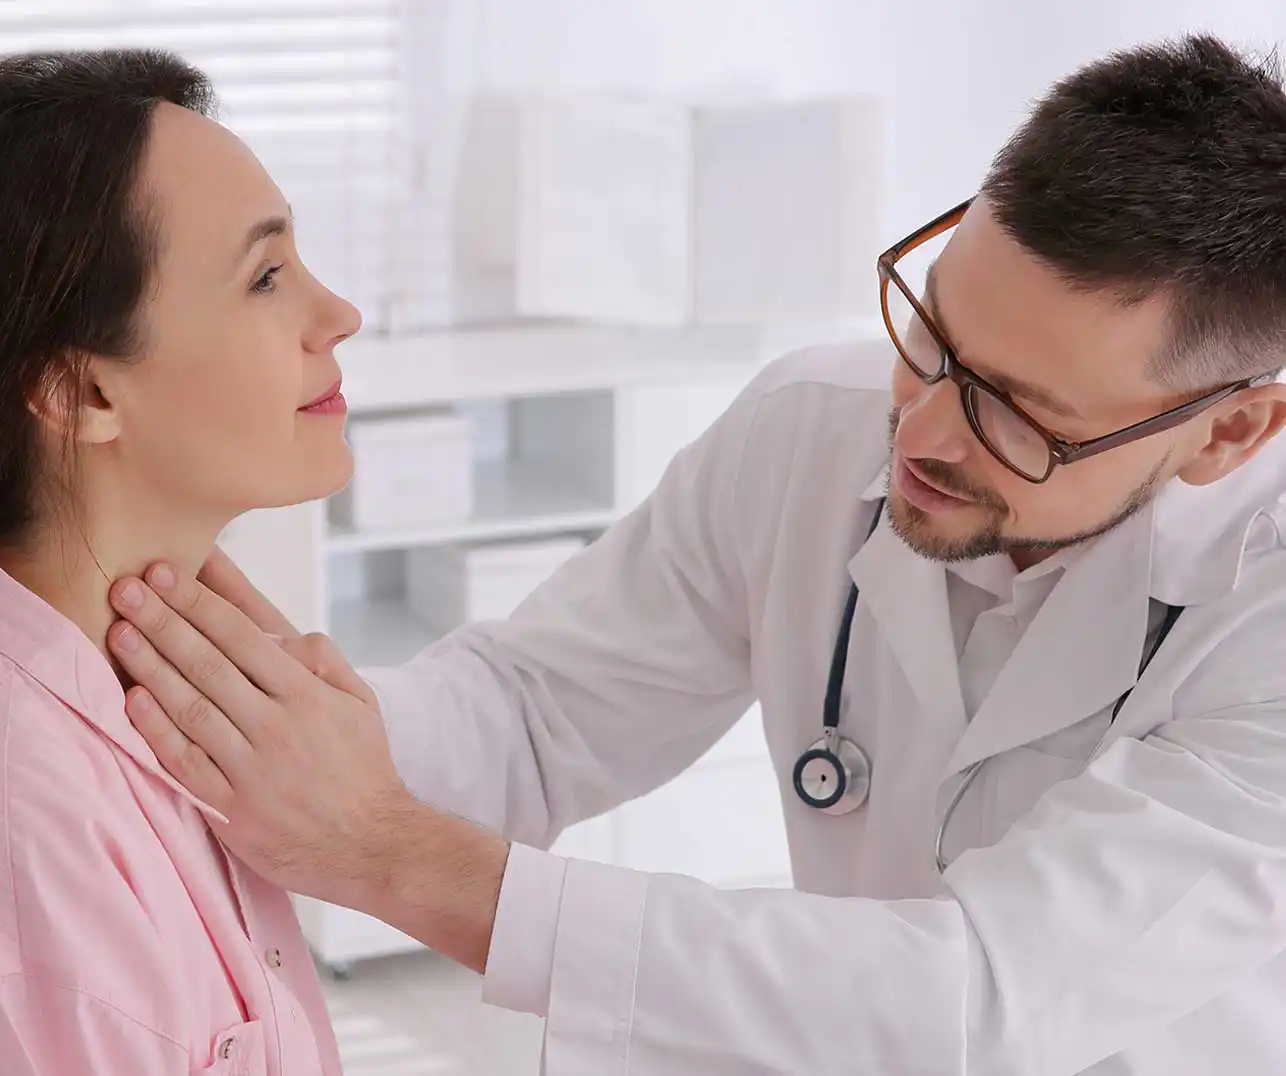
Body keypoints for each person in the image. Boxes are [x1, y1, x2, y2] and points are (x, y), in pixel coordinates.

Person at [109, 33, 1286, 1075]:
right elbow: (536, 707)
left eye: (1018, 414)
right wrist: (263, 729)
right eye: (930, 333)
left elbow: (971, 994)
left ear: (1226, 430)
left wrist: (395, 857)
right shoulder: (809, 432)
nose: (919, 433)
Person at [0, 50, 361, 1075]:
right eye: (266, 276)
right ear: (82, 395)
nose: (337, 314)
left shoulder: (144, 695)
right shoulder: (22, 851)